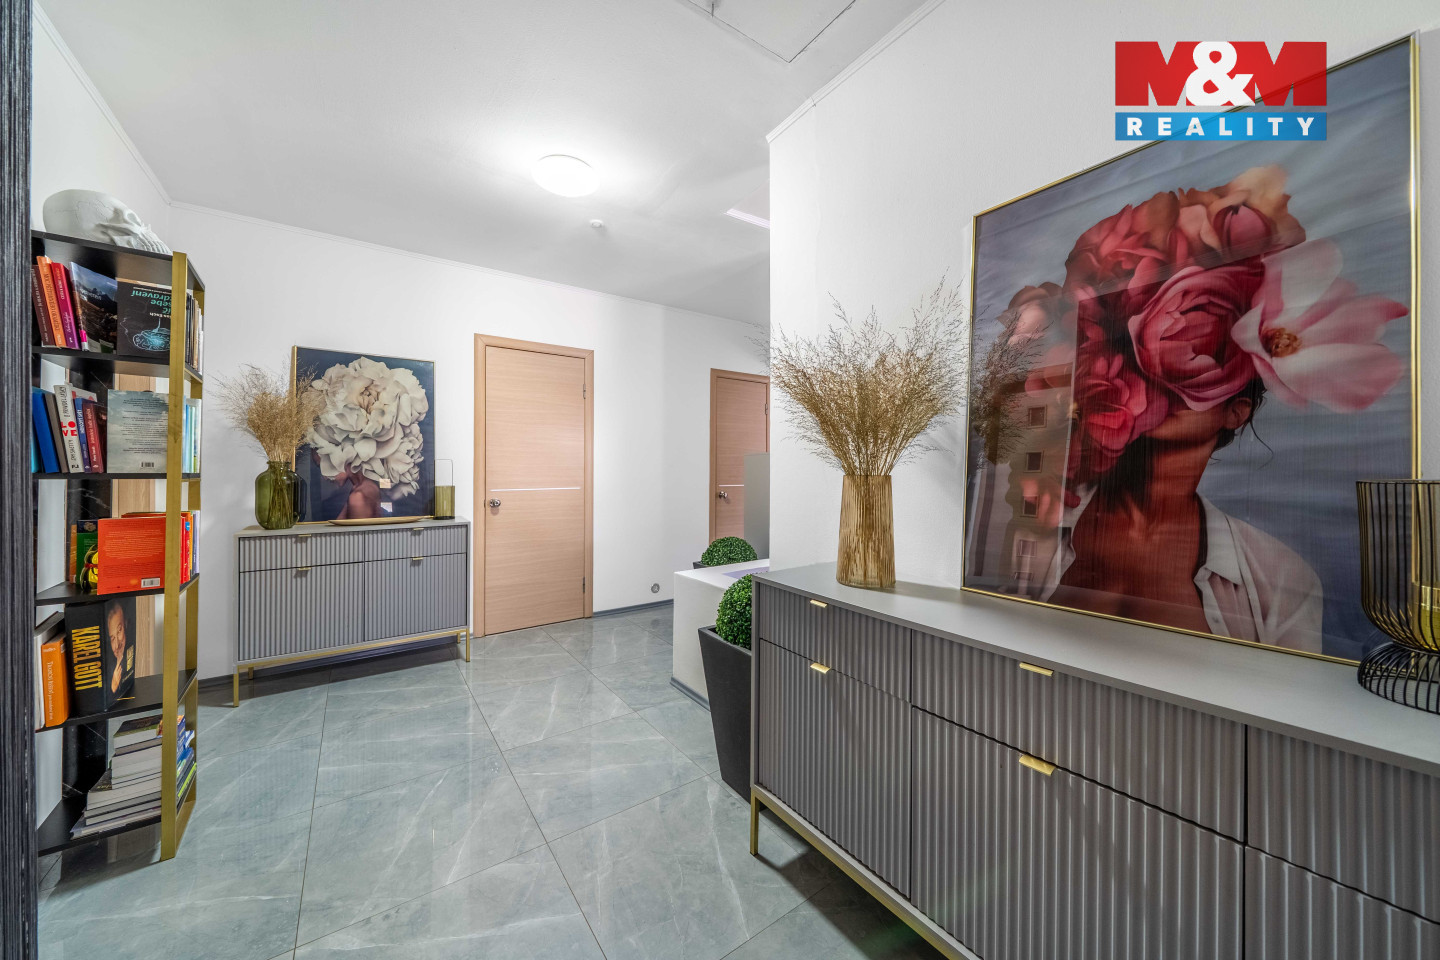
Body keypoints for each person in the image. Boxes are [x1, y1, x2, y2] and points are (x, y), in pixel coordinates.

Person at [1040, 380, 1324, 653]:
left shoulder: (1281, 577)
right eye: (1152, 370)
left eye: (1202, 376)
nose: (1171, 386)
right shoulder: (1043, 512)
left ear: (1235, 412)